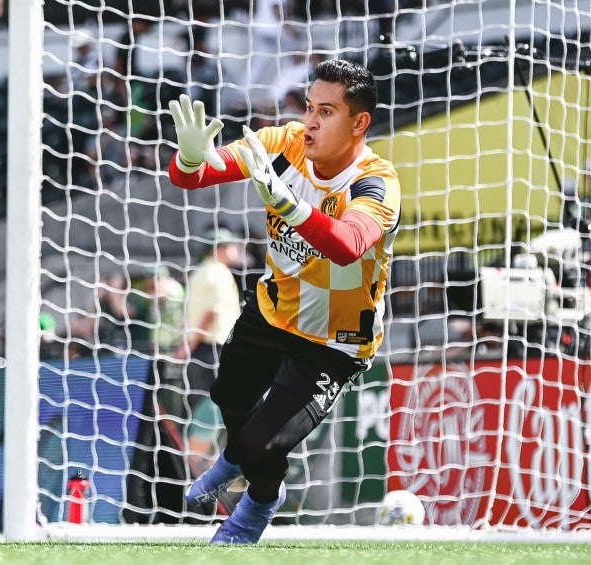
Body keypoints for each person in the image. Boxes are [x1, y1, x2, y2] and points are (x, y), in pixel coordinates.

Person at [167, 59, 400, 544]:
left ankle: (257, 506)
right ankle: (232, 461)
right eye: (309, 107)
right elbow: (192, 176)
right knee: (227, 398)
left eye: (327, 112)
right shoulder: (280, 143)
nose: (310, 121)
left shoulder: (376, 183)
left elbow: (346, 245)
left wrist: (290, 206)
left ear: (359, 123)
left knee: (261, 442)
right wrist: (189, 159)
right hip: (273, 312)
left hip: (335, 340)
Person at [174, 229, 243, 396]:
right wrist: (190, 346)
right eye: (230, 245)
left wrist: (187, 346)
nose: (236, 248)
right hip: (213, 350)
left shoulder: (199, 272)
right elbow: (212, 312)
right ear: (217, 249)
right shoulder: (220, 273)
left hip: (198, 349)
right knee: (214, 407)